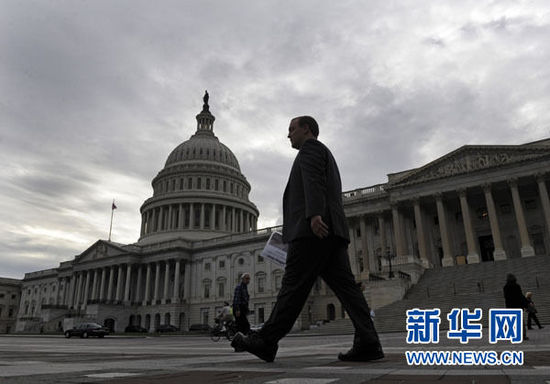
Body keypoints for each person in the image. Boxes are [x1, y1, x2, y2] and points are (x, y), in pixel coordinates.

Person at [231, 115, 384, 362]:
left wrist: (314, 214)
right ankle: (369, 341)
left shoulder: (310, 149)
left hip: (312, 231)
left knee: (293, 287)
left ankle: (266, 341)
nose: (288, 134)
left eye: (292, 129)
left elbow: (313, 181)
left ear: (307, 129)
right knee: (347, 290)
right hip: (331, 232)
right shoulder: (325, 153)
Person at [503, 273, 530, 340]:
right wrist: (526, 304)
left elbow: (506, 297)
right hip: (518, 306)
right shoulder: (517, 286)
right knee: (520, 322)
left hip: (510, 306)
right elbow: (520, 296)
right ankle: (523, 335)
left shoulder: (505, 287)